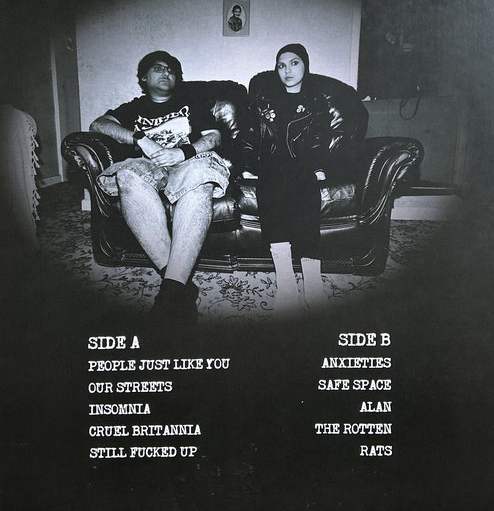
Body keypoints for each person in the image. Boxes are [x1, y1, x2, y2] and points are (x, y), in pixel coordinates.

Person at [90, 51, 229, 323]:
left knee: (200, 178)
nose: (166, 72)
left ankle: (170, 294)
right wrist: (140, 139)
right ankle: (178, 286)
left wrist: (183, 152)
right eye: (158, 68)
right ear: (143, 78)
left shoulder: (191, 103)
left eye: (171, 70)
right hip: (148, 167)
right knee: (127, 175)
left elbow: (214, 137)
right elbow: (99, 124)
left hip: (187, 164)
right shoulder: (133, 108)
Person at [240, 44, 354, 313]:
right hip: (269, 165)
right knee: (273, 177)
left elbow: (319, 140)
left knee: (303, 182)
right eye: (281, 65)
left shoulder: (316, 102)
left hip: (302, 166)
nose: (287, 70)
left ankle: (312, 279)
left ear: (305, 66)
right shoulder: (263, 100)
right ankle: (286, 281)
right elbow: (249, 134)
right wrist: (246, 165)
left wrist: (319, 167)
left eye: (294, 63)